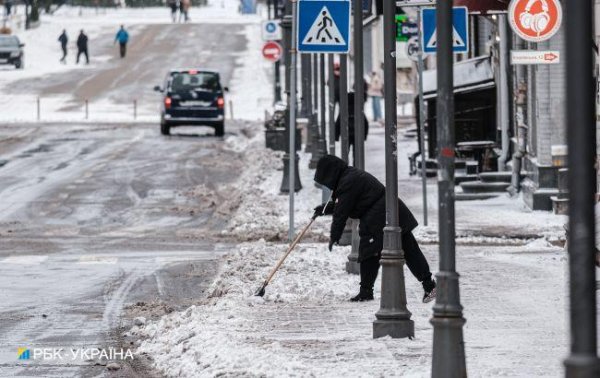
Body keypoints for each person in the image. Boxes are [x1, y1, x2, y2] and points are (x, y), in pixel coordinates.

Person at [313, 155, 437, 303]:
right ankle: (429, 284)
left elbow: (342, 212)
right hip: (388, 209)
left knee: (369, 251)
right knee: (407, 248)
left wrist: (334, 236)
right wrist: (324, 209)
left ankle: (366, 291)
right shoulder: (348, 176)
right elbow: (345, 204)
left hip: (379, 214)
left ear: (330, 173)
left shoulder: (347, 181)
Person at [334, 92, 369, 166]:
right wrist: (364, 136)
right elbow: (365, 123)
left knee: (345, 153)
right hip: (357, 135)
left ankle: (345, 167)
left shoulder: (344, 111)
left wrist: (336, 136)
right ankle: (356, 167)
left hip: (346, 134)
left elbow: (338, 123)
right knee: (356, 154)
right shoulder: (359, 110)